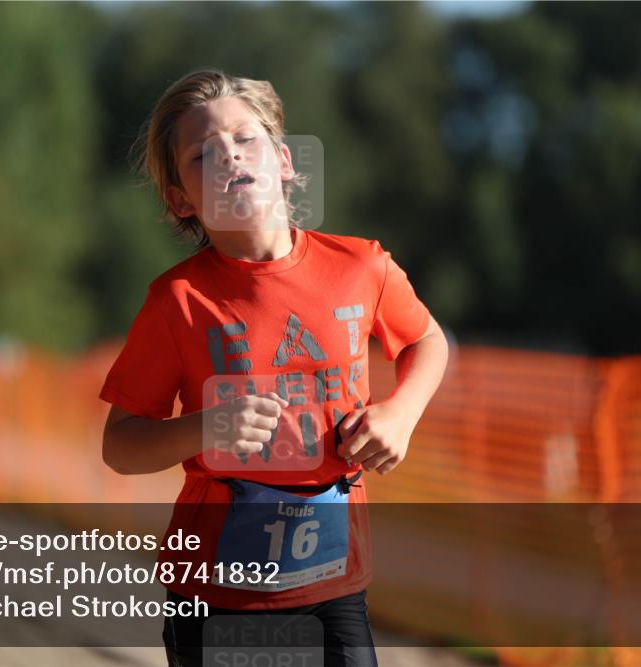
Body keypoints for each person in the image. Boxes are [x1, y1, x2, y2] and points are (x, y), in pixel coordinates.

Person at [99, 69, 449, 667]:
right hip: (214, 595)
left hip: (334, 587)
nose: (230, 154)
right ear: (182, 198)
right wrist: (207, 428)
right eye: (203, 154)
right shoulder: (177, 301)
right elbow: (121, 446)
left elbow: (426, 340)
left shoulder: (361, 265)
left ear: (283, 161)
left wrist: (402, 412)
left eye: (245, 139)